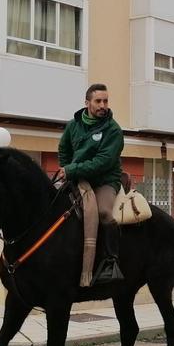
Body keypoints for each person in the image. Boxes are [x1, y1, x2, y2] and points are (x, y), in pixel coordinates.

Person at [58, 83, 125, 287]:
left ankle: (110, 260)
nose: (103, 105)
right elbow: (64, 149)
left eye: (105, 101)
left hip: (104, 181)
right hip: (77, 179)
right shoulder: (73, 125)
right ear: (87, 103)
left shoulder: (113, 130)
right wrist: (67, 169)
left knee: (104, 213)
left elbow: (102, 162)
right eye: (98, 101)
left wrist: (71, 170)